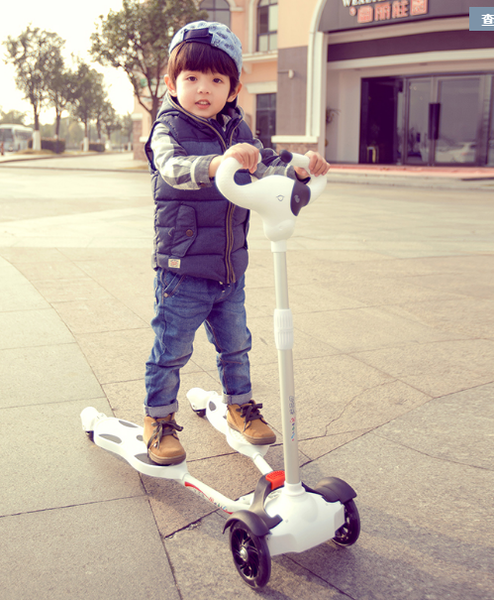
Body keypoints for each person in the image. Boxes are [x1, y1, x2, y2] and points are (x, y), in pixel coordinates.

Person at [143, 21, 330, 466]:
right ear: (172, 83)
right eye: (191, 78)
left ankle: (240, 406)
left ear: (233, 89)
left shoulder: (240, 131)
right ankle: (158, 419)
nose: (203, 89)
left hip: (229, 267)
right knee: (171, 349)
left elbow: (267, 167)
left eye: (216, 80)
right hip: (181, 268)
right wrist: (217, 163)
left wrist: (301, 172)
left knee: (236, 344)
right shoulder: (167, 129)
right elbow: (172, 168)